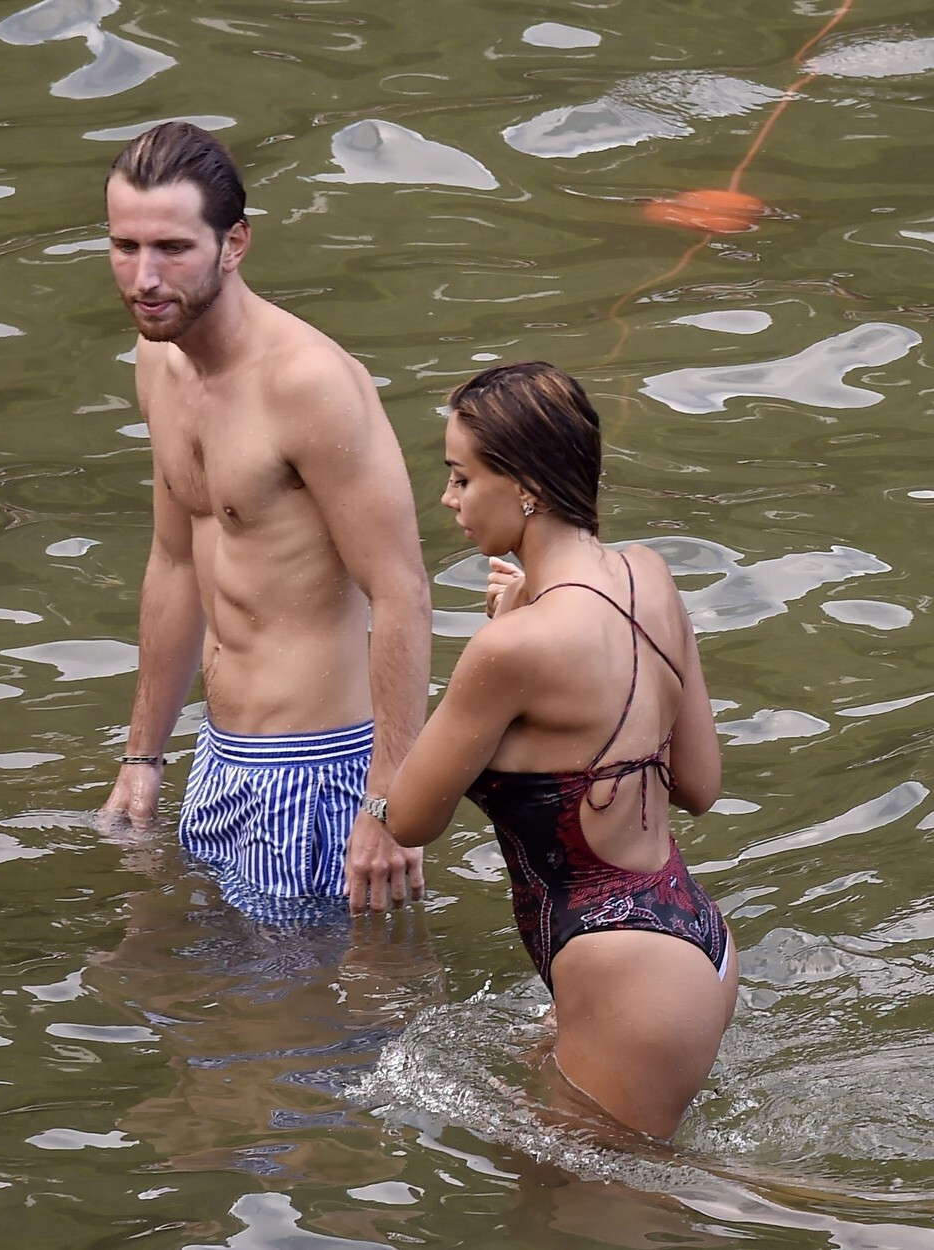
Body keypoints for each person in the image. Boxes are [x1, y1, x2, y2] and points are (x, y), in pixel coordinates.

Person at [376, 361, 738, 1139]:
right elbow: (699, 784)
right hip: (691, 943)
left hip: (628, 974)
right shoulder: (649, 576)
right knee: (555, 1183)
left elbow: (407, 818)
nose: (447, 499)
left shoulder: (512, 648)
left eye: (461, 478)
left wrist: (502, 636)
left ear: (527, 486)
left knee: (609, 1198)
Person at [98, 121, 431, 915]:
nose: (145, 277)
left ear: (234, 243)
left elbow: (402, 592)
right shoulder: (158, 361)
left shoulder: (308, 384)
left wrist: (387, 804)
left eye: (172, 248)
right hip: (218, 757)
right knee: (192, 988)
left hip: (322, 770)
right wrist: (143, 757)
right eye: (124, 247)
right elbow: (175, 560)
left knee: (323, 994)